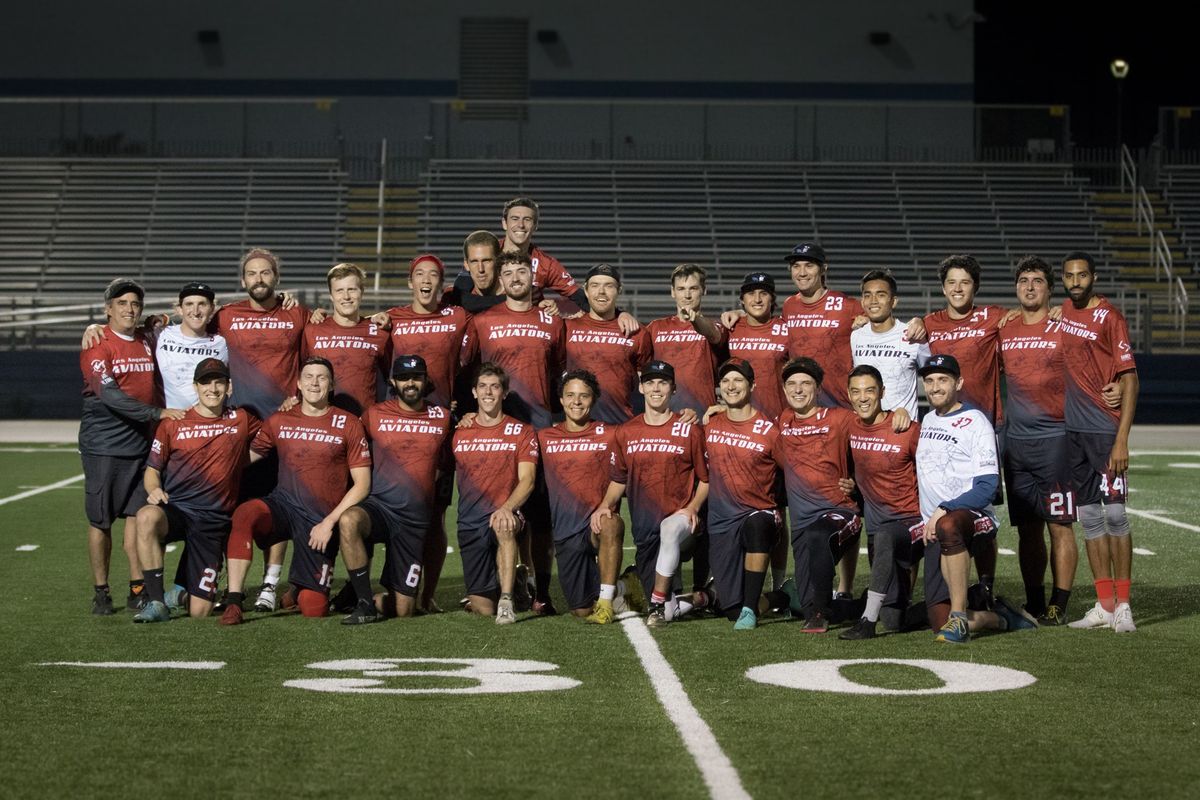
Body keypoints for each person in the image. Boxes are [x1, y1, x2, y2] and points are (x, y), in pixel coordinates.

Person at [218, 357, 372, 624]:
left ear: (332, 384)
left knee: (314, 608)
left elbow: (363, 484)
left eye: (322, 377)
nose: (314, 383)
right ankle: (234, 601)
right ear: (298, 384)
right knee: (245, 513)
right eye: (309, 377)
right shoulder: (280, 420)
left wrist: (329, 522)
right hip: (283, 506)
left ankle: (296, 590)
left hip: (319, 522)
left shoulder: (349, 423)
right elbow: (244, 458)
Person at [80, 278, 184, 615]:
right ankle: (100, 591)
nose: (129, 309)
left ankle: (138, 588)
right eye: (121, 303)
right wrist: (156, 412)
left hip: (143, 444)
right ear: (107, 309)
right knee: (101, 522)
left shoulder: (147, 337)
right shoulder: (97, 343)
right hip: (106, 445)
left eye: (135, 303)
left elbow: (184, 316)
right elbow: (109, 395)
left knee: (138, 518)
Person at [916, 354, 1036, 643]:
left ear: (959, 383)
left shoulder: (975, 422)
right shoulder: (927, 419)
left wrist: (945, 508)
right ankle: (1001, 617)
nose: (935, 387)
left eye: (943, 380)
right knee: (936, 623)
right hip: (935, 527)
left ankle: (960, 617)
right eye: (929, 381)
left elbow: (987, 486)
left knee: (948, 525)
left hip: (973, 520)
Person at [131, 359, 258, 622]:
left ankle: (179, 594)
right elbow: (152, 470)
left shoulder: (242, 419)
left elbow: (274, 435)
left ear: (229, 387)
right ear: (195, 387)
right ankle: (155, 601)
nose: (212, 388)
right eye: (205, 382)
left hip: (213, 521)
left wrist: (290, 407)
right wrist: (153, 489)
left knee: (200, 613)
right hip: (178, 510)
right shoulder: (173, 423)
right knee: (146, 516)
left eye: (219, 381)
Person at [381, 251, 473, 613]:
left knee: (435, 513)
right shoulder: (390, 320)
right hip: (397, 430)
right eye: (419, 274)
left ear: (441, 284)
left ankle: (427, 592)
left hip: (440, 429)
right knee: (393, 508)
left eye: (433, 275)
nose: (426, 280)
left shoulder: (458, 317)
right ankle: (393, 585)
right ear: (409, 282)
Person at [592, 360, 711, 628]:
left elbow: (706, 479)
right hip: (646, 533)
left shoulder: (689, 428)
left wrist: (692, 508)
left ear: (674, 388)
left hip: (683, 525)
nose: (656, 388)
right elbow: (618, 479)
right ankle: (704, 597)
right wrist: (604, 506)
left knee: (670, 528)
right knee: (669, 611)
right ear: (641, 388)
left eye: (663, 382)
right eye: (650, 382)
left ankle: (656, 602)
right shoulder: (626, 431)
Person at [337, 355, 453, 624]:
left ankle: (357, 595)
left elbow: (446, 462)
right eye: (403, 378)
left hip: (413, 521)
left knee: (403, 610)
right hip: (379, 508)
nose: (410, 383)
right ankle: (365, 603)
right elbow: (350, 446)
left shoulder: (444, 418)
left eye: (416, 377)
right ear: (392, 381)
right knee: (349, 520)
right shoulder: (373, 414)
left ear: (425, 381)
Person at [1059, 251, 1140, 633]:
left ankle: (1124, 605)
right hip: (1074, 433)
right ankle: (1104, 605)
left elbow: (1131, 378)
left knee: (1116, 515)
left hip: (1106, 433)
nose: (1075, 282)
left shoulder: (1111, 318)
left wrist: (1122, 439)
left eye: (1082, 276)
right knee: (1090, 518)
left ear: (1093, 277)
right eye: (1069, 276)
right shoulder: (1063, 311)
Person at [922, 254, 1004, 609]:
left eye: (965, 282)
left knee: (985, 514)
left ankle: (985, 586)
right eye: (951, 283)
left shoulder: (995, 317)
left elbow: (1029, 317)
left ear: (976, 287)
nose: (957, 288)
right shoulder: (929, 322)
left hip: (982, 425)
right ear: (943, 288)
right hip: (942, 425)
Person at [999, 256, 1078, 624]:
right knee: (1028, 529)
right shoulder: (1005, 327)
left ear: (1050, 288)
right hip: (1016, 443)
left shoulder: (1066, 325)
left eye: (1037, 281)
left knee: (1059, 523)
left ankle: (1058, 604)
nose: (1030, 286)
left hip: (1057, 439)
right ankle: (1034, 600)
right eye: (1024, 280)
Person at [538, 369, 640, 623]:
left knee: (611, 523)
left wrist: (685, 415)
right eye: (570, 395)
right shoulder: (543, 437)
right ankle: (626, 585)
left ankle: (606, 603)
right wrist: (469, 417)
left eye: (584, 396)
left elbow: (647, 429)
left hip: (596, 525)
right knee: (581, 610)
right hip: (565, 531)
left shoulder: (611, 434)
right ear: (560, 400)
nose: (576, 401)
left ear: (593, 399)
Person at [771, 357, 861, 633]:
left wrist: (857, 484)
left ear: (818, 389)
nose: (798, 390)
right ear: (784, 390)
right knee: (806, 604)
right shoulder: (782, 422)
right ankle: (866, 605)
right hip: (802, 524)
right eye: (792, 384)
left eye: (805, 384)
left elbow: (874, 432)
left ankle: (820, 613)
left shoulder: (840, 418)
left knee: (819, 535)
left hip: (841, 513)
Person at [451, 363, 539, 624]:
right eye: (483, 386)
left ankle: (507, 600)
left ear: (504, 392)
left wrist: (507, 507)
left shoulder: (522, 432)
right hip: (469, 521)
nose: (488, 392)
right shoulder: (459, 431)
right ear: (474, 393)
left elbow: (528, 480)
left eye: (495, 386)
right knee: (482, 608)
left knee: (503, 525)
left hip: (506, 515)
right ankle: (512, 582)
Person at [842, 365, 924, 639]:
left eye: (869, 390)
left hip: (912, 524)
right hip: (879, 531)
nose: (862, 397)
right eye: (856, 391)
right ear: (848, 395)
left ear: (882, 393)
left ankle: (867, 620)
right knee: (894, 620)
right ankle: (968, 598)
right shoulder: (849, 425)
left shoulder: (907, 428)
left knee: (888, 535)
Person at [703, 358, 782, 630]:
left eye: (738, 380)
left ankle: (751, 608)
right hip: (722, 521)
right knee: (730, 609)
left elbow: (791, 471)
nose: (731, 386)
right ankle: (778, 597)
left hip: (758, 513)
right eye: (725, 381)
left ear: (752, 385)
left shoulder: (769, 430)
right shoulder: (709, 424)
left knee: (759, 525)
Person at [563, 264, 652, 425]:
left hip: (620, 426)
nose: (601, 292)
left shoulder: (637, 333)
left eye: (609, 286)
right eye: (595, 285)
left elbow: (650, 383)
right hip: (578, 429)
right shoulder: (566, 328)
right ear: (586, 290)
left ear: (619, 289)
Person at [303, 263, 390, 416]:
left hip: (363, 423)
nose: (346, 297)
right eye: (339, 291)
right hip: (322, 424)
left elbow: (389, 379)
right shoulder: (312, 330)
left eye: (351, 289)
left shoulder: (379, 333)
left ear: (362, 292)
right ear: (331, 295)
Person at [646, 263, 729, 415]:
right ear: (672, 292)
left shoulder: (717, 326)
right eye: (681, 289)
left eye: (693, 288)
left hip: (703, 416)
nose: (687, 295)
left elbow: (713, 334)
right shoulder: (655, 327)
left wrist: (696, 319)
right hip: (664, 417)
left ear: (704, 290)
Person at [850, 269, 931, 423]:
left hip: (902, 432)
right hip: (867, 431)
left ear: (893, 301)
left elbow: (933, 377)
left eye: (881, 295)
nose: (873, 300)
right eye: (867, 295)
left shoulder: (913, 336)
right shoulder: (856, 336)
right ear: (862, 302)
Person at [498, 196, 591, 312]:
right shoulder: (486, 253)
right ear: (504, 223)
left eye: (527, 219)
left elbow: (578, 296)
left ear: (535, 225)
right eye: (515, 218)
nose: (520, 225)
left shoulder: (546, 264)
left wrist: (618, 314)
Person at [154, 282, 228, 409]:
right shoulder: (160, 334)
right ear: (179, 309)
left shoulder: (222, 342)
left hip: (206, 423)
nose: (195, 311)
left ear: (212, 308)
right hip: (169, 422)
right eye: (189, 304)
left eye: (202, 304)